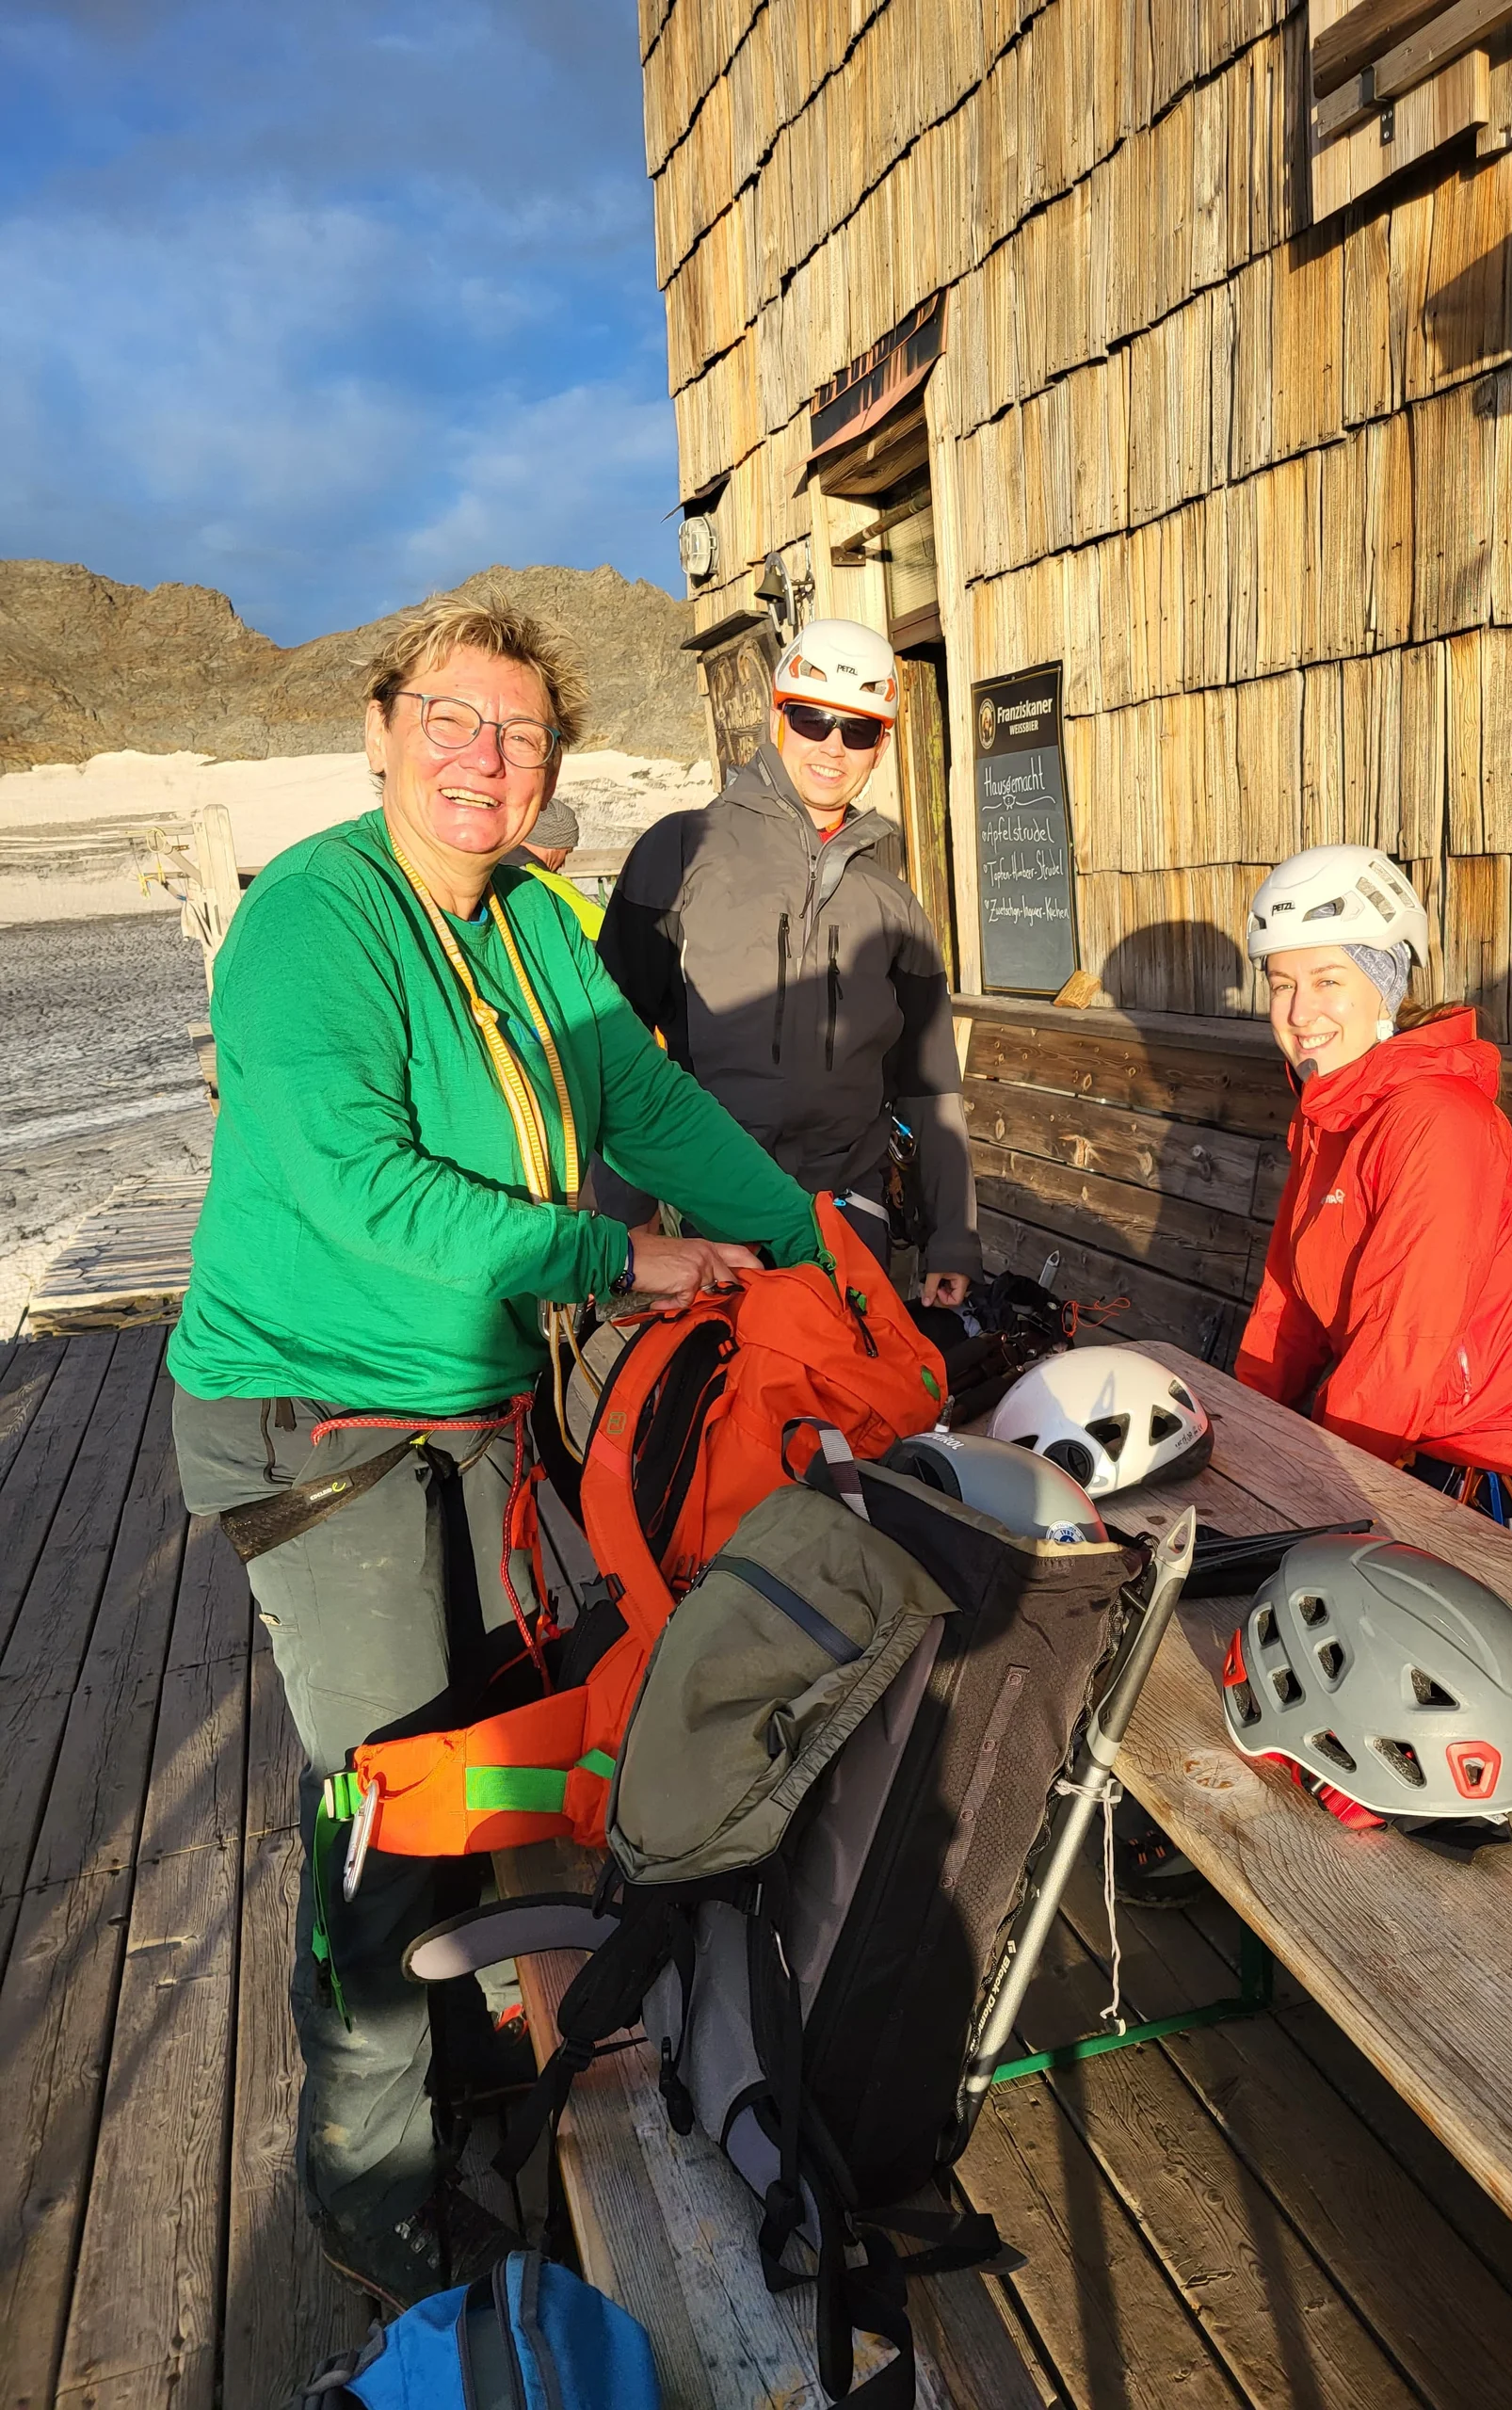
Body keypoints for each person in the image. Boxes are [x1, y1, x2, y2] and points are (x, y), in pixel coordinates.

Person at [168, 599, 828, 2309]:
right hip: (317, 1427)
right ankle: (373, 2197)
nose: (486, 758)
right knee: (400, 1802)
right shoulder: (313, 925)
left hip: (478, 1413)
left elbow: (648, 1110)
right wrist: (625, 1259)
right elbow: (360, 1193)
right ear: (381, 726)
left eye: (521, 733)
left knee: (513, 1744)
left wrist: (820, 1247)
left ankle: (480, 2071)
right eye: (452, 720)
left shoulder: (536, 918)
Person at [1235, 844, 1512, 1566]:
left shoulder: (1434, 1121)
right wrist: (1241, 1429)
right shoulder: (1331, 1111)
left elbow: (1403, 1343)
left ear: (1385, 987)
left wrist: (1318, 1494)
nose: (1298, 1012)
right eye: (1281, 983)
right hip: (1409, 1441)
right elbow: (1285, 1306)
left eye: (1328, 979)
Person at [599, 617, 979, 1309]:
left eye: (858, 730)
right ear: (779, 718)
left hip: (850, 1215)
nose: (832, 747)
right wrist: (629, 1216)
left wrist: (951, 1235)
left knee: (854, 1407)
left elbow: (929, 1087)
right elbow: (609, 1044)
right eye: (812, 720)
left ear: (881, 746)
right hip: (711, 1217)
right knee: (723, 1408)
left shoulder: (894, 903)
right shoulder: (683, 849)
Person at [506, 795, 602, 938]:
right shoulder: (542, 881)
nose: (563, 864)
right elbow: (605, 929)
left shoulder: (498, 865)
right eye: (566, 852)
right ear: (553, 845)